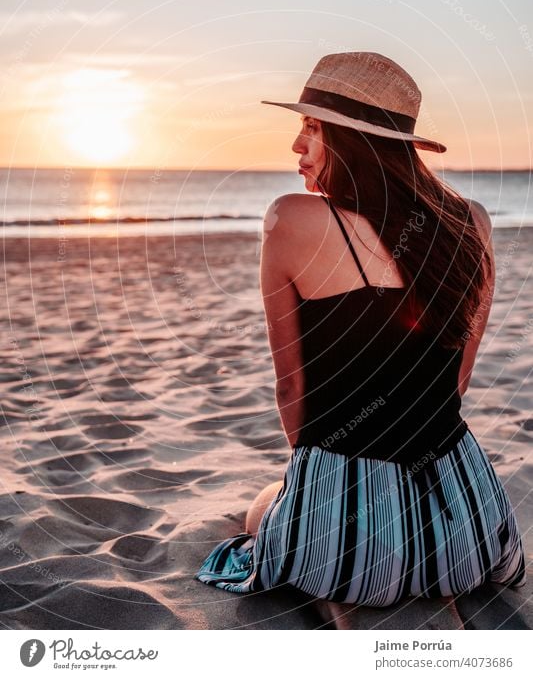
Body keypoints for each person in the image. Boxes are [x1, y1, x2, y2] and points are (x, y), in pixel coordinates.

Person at [194, 51, 526, 608]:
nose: (297, 145)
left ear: (354, 140)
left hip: (343, 559)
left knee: (262, 506)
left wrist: (332, 487)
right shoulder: (471, 222)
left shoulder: (291, 218)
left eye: (312, 126)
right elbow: (458, 380)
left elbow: (291, 388)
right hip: (468, 534)